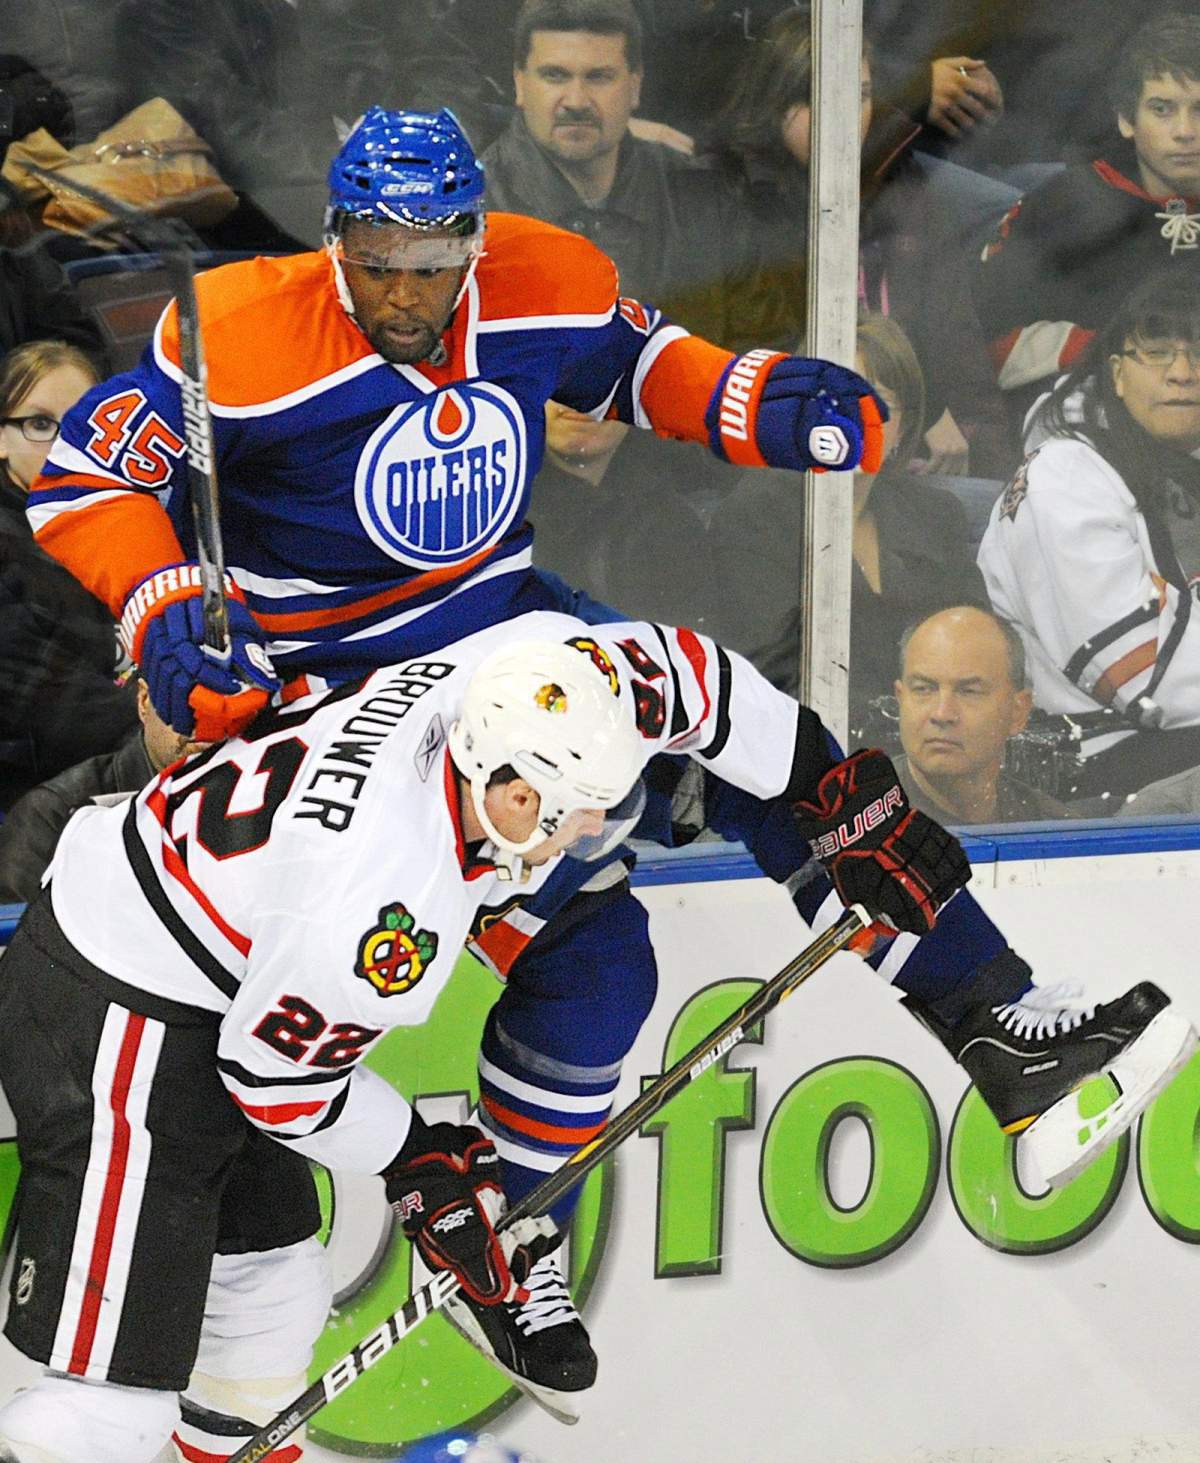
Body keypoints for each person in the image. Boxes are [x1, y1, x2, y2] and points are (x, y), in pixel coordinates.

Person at [25, 106, 1157, 1419]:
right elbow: (82, 477)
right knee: (605, 961)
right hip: (344, 708)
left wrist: (753, 402)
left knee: (796, 777)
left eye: (431, 257)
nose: (404, 288)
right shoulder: (242, 330)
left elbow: (633, 365)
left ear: (474, 237)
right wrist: (161, 608)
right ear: (334, 238)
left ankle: (994, 1014)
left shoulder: (535, 271)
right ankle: (502, 1227)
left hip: (507, 630)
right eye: (376, 257)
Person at [0, 611, 1189, 1463]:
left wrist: (844, 791)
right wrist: (421, 1157)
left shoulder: (560, 677)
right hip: (124, 997)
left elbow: (712, 688)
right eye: (544, 808)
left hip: (222, 956)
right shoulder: (381, 895)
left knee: (268, 1306)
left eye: (588, 805)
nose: (570, 831)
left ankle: (999, 1027)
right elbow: (274, 1074)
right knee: (105, 1405)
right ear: (487, 769)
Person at [689, 6, 1016, 475]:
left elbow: (959, 354)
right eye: (817, 98)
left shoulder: (905, 193)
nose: (844, 119)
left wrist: (993, 465)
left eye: (860, 96)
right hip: (778, 474)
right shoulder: (729, 199)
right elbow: (743, 368)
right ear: (773, 104)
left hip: (906, 468)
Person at [977, 273, 1200, 803]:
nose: (1183, 374)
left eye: (1198, 353)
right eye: (1159, 354)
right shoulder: (1065, 477)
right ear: (1117, 375)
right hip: (1095, 771)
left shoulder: (1178, 463)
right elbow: (1145, 680)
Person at [705, 314, 987, 732]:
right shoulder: (754, 520)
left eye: (880, 405)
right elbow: (780, 681)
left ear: (903, 427)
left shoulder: (935, 515)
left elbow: (980, 649)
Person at [976, 11, 1200, 418]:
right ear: (1126, 119)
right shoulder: (1062, 208)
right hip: (1082, 421)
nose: (1185, 131)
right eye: (1163, 109)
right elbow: (986, 337)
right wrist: (1107, 354)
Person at [481, 0, 728, 303]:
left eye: (598, 77)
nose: (576, 101)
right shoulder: (472, 206)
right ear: (520, 84)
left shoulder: (701, 201)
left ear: (635, 87)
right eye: (555, 75)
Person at [0, 339, 136, 811]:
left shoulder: (137, 515)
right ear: (1, 438)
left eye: (79, 423)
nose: (62, 444)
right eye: (39, 424)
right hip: (52, 795)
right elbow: (54, 711)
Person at [0, 675, 203, 904]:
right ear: (144, 700)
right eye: (188, 699)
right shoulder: (53, 814)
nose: (207, 720)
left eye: (227, 702)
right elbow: (22, 934)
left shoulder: (244, 797)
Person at [531, 400, 722, 627]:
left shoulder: (681, 517)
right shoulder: (499, 523)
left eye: (601, 376)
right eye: (567, 375)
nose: (581, 400)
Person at [894, 605, 1070, 825]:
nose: (942, 713)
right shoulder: (848, 824)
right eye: (923, 689)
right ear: (900, 698)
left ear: (1018, 712)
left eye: (969, 691)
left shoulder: (1050, 834)